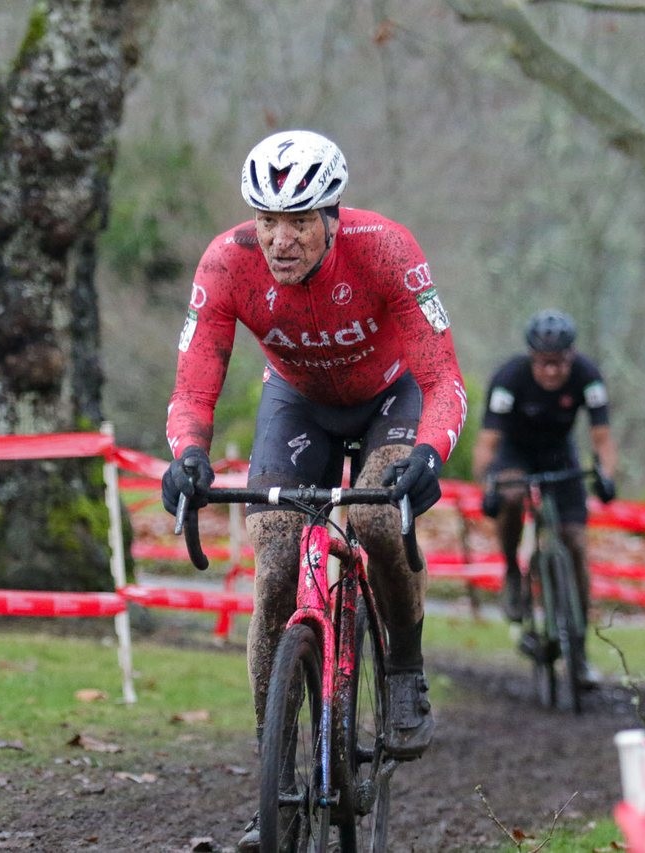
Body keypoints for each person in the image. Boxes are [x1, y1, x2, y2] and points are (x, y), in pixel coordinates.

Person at [161, 129, 467, 847]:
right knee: (273, 562)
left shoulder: (386, 248)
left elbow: (444, 377)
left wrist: (430, 449)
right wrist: (188, 455)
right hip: (295, 402)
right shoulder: (227, 262)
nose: (280, 239)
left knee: (377, 522)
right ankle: (277, 767)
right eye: (268, 220)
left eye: (299, 221)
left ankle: (403, 668)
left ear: (331, 216)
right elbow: (195, 378)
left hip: (391, 398)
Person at [471, 308, 618, 686]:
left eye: (560, 363)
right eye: (544, 363)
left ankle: (580, 655)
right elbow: (487, 444)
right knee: (513, 494)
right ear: (532, 358)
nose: (552, 371)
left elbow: (602, 438)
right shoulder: (509, 378)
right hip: (515, 455)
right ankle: (511, 573)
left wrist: (605, 476)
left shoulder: (588, 376)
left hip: (560, 455)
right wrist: (487, 486)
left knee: (577, 546)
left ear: (571, 356)